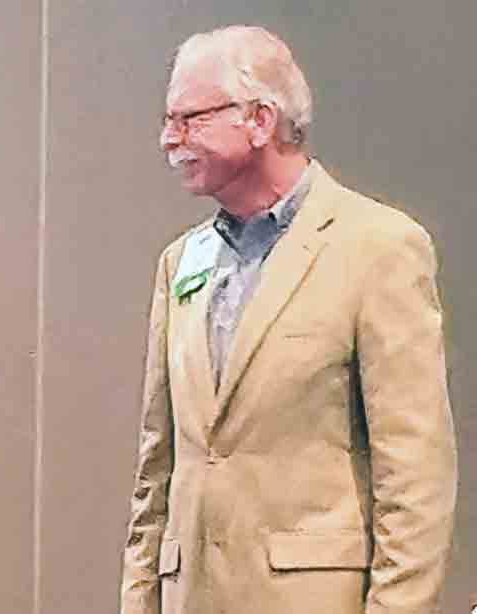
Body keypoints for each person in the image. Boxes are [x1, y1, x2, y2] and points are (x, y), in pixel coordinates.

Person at [121, 25, 456, 614]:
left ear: (260, 119)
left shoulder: (378, 246)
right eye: (168, 120)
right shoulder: (180, 261)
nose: (168, 139)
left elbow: (415, 476)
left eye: (189, 118)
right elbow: (158, 467)